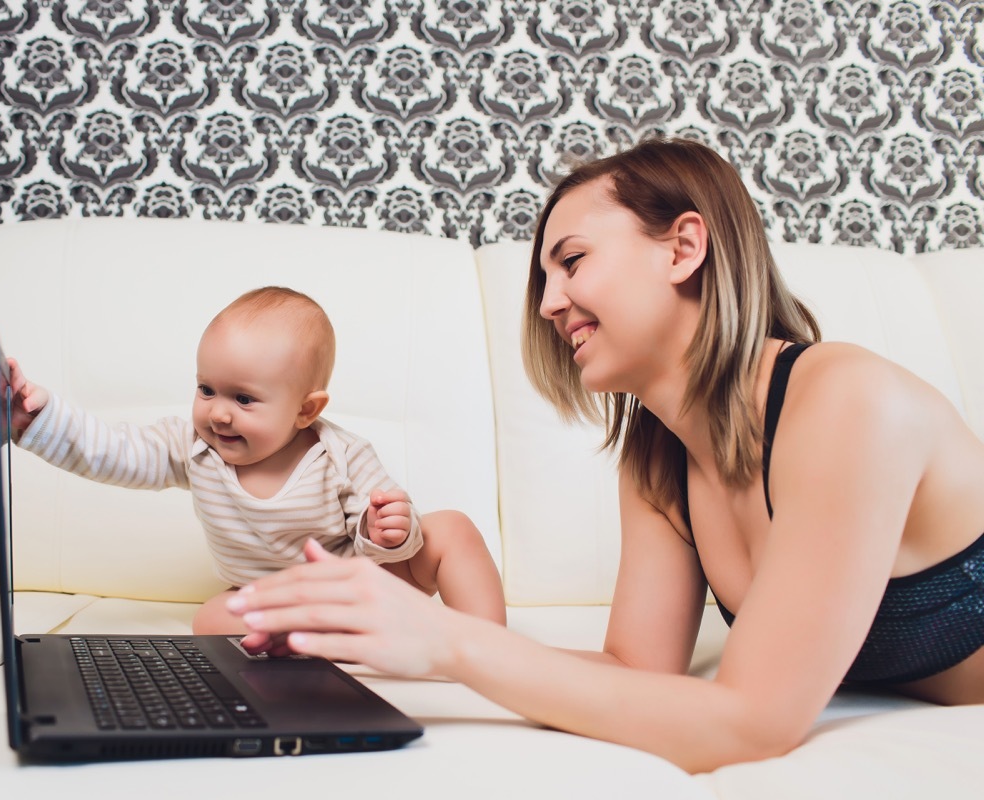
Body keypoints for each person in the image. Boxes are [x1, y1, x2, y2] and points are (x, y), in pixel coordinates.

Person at [223, 138, 984, 772]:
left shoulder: (847, 399)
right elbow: (635, 674)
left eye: (573, 261)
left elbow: (754, 722)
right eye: (544, 278)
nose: (549, 302)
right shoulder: (658, 457)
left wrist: (449, 642)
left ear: (684, 247)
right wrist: (361, 637)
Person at [6, 286, 506, 634]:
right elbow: (114, 451)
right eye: (206, 389)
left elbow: (385, 538)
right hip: (280, 605)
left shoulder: (341, 455)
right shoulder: (193, 448)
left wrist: (388, 530)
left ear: (305, 410)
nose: (218, 413)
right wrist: (40, 420)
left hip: (364, 591)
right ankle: (321, 647)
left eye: (243, 399)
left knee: (451, 528)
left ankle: (488, 647)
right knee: (213, 620)